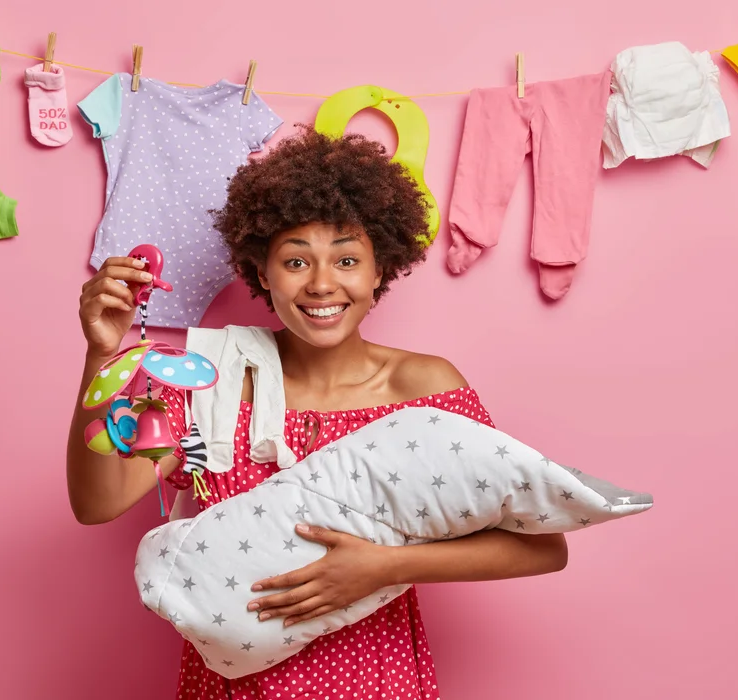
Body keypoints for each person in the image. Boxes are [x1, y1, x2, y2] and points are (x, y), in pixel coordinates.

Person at [66, 126, 569, 699]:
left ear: (381, 270)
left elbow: (541, 545)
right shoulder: (209, 379)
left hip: (377, 680)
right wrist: (103, 353)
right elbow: (96, 503)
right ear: (262, 273)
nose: (323, 284)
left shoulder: (425, 389)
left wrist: (384, 567)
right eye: (296, 261)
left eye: (348, 259)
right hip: (234, 687)